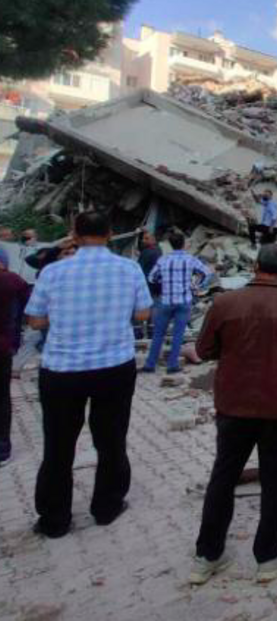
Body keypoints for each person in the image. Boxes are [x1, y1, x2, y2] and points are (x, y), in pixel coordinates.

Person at [189, 244, 277, 585]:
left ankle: (207, 557)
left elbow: (204, 350)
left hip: (234, 404)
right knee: (275, 477)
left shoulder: (224, 303)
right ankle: (267, 560)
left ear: (255, 266)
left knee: (223, 476)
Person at [25, 211, 152, 538]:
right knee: (111, 440)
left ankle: (55, 520)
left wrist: (66, 318)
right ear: (110, 234)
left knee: (58, 445)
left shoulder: (52, 272)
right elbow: (142, 313)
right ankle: (107, 507)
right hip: (114, 366)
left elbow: (35, 321)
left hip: (62, 369)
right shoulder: (128, 268)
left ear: (74, 235)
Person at [142, 231, 210, 374]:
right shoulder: (190, 259)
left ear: (171, 245)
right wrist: (196, 285)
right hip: (184, 301)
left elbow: (152, 277)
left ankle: (150, 364)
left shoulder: (163, 259)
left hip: (166, 301)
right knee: (178, 334)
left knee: (158, 334)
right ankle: (172, 365)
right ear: (183, 244)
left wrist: (163, 281)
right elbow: (206, 272)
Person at [0, 247, 31, 466]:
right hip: (3, 347)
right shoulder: (14, 281)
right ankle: (2, 448)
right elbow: (31, 309)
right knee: (2, 397)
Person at [137, 231, 163, 339]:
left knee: (142, 315)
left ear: (153, 240)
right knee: (153, 315)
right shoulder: (158, 251)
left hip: (147, 288)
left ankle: (139, 335)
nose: (143, 241)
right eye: (143, 238)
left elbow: (138, 269)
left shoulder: (147, 252)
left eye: (146, 238)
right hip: (156, 289)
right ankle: (152, 335)